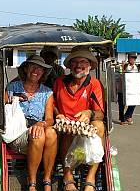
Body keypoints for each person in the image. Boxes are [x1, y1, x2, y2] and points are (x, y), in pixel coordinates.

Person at [53, 47, 105, 191]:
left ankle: (90, 178)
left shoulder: (94, 84)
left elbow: (100, 113)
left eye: (83, 61)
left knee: (99, 126)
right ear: (70, 65)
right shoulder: (60, 82)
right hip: (65, 128)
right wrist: (58, 114)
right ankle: (67, 176)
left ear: (89, 65)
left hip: (85, 128)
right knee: (69, 130)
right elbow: (52, 104)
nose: (79, 65)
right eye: (75, 61)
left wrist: (89, 113)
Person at [5, 55, 57, 191]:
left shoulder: (47, 92)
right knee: (38, 136)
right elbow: (2, 109)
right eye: (32, 67)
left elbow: (50, 119)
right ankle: (32, 182)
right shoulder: (12, 87)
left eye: (40, 68)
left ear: (43, 73)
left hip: (39, 128)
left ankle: (47, 179)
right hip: (18, 132)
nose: (36, 71)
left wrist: (41, 124)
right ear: (26, 69)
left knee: (51, 133)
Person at [117, 52, 139, 125]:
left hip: (132, 89)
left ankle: (128, 116)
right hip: (123, 88)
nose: (132, 60)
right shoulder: (125, 65)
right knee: (122, 104)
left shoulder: (136, 67)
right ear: (128, 58)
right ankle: (122, 119)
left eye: (134, 58)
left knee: (133, 102)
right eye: (131, 58)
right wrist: (123, 67)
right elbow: (122, 74)